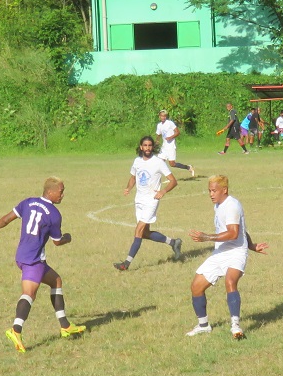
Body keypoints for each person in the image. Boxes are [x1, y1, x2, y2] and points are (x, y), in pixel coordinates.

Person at [0, 177, 86, 353]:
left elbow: (7, 218)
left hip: (21, 256)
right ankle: (15, 330)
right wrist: (68, 238)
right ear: (50, 192)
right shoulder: (54, 214)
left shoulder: (29, 202)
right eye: (61, 191)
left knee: (56, 281)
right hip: (34, 260)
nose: (63, 195)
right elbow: (57, 242)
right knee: (29, 294)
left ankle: (65, 325)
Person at [186, 175, 269, 340]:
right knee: (196, 287)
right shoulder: (218, 205)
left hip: (237, 251)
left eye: (214, 190)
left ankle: (236, 327)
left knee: (230, 282)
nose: (211, 194)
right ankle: (203, 326)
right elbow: (242, 230)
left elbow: (233, 233)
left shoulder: (232, 206)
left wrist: (207, 238)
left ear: (224, 190)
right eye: (209, 190)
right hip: (221, 251)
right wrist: (252, 245)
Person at [115, 135, 181, 270]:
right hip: (139, 200)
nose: (147, 148)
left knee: (138, 230)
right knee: (144, 233)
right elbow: (133, 177)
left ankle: (126, 264)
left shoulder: (158, 162)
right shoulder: (137, 161)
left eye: (150, 145)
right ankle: (174, 242)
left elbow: (173, 181)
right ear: (141, 147)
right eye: (145, 145)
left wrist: (163, 191)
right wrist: (128, 188)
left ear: (153, 147)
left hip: (152, 200)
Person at [154, 109, 194, 177]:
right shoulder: (159, 125)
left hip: (171, 146)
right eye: (161, 116)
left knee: (172, 164)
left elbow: (177, 132)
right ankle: (162, 178)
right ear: (159, 116)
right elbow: (158, 134)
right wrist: (156, 142)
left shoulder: (170, 123)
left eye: (164, 116)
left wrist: (171, 137)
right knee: (160, 162)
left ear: (166, 116)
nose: (163, 117)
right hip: (164, 147)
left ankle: (188, 167)